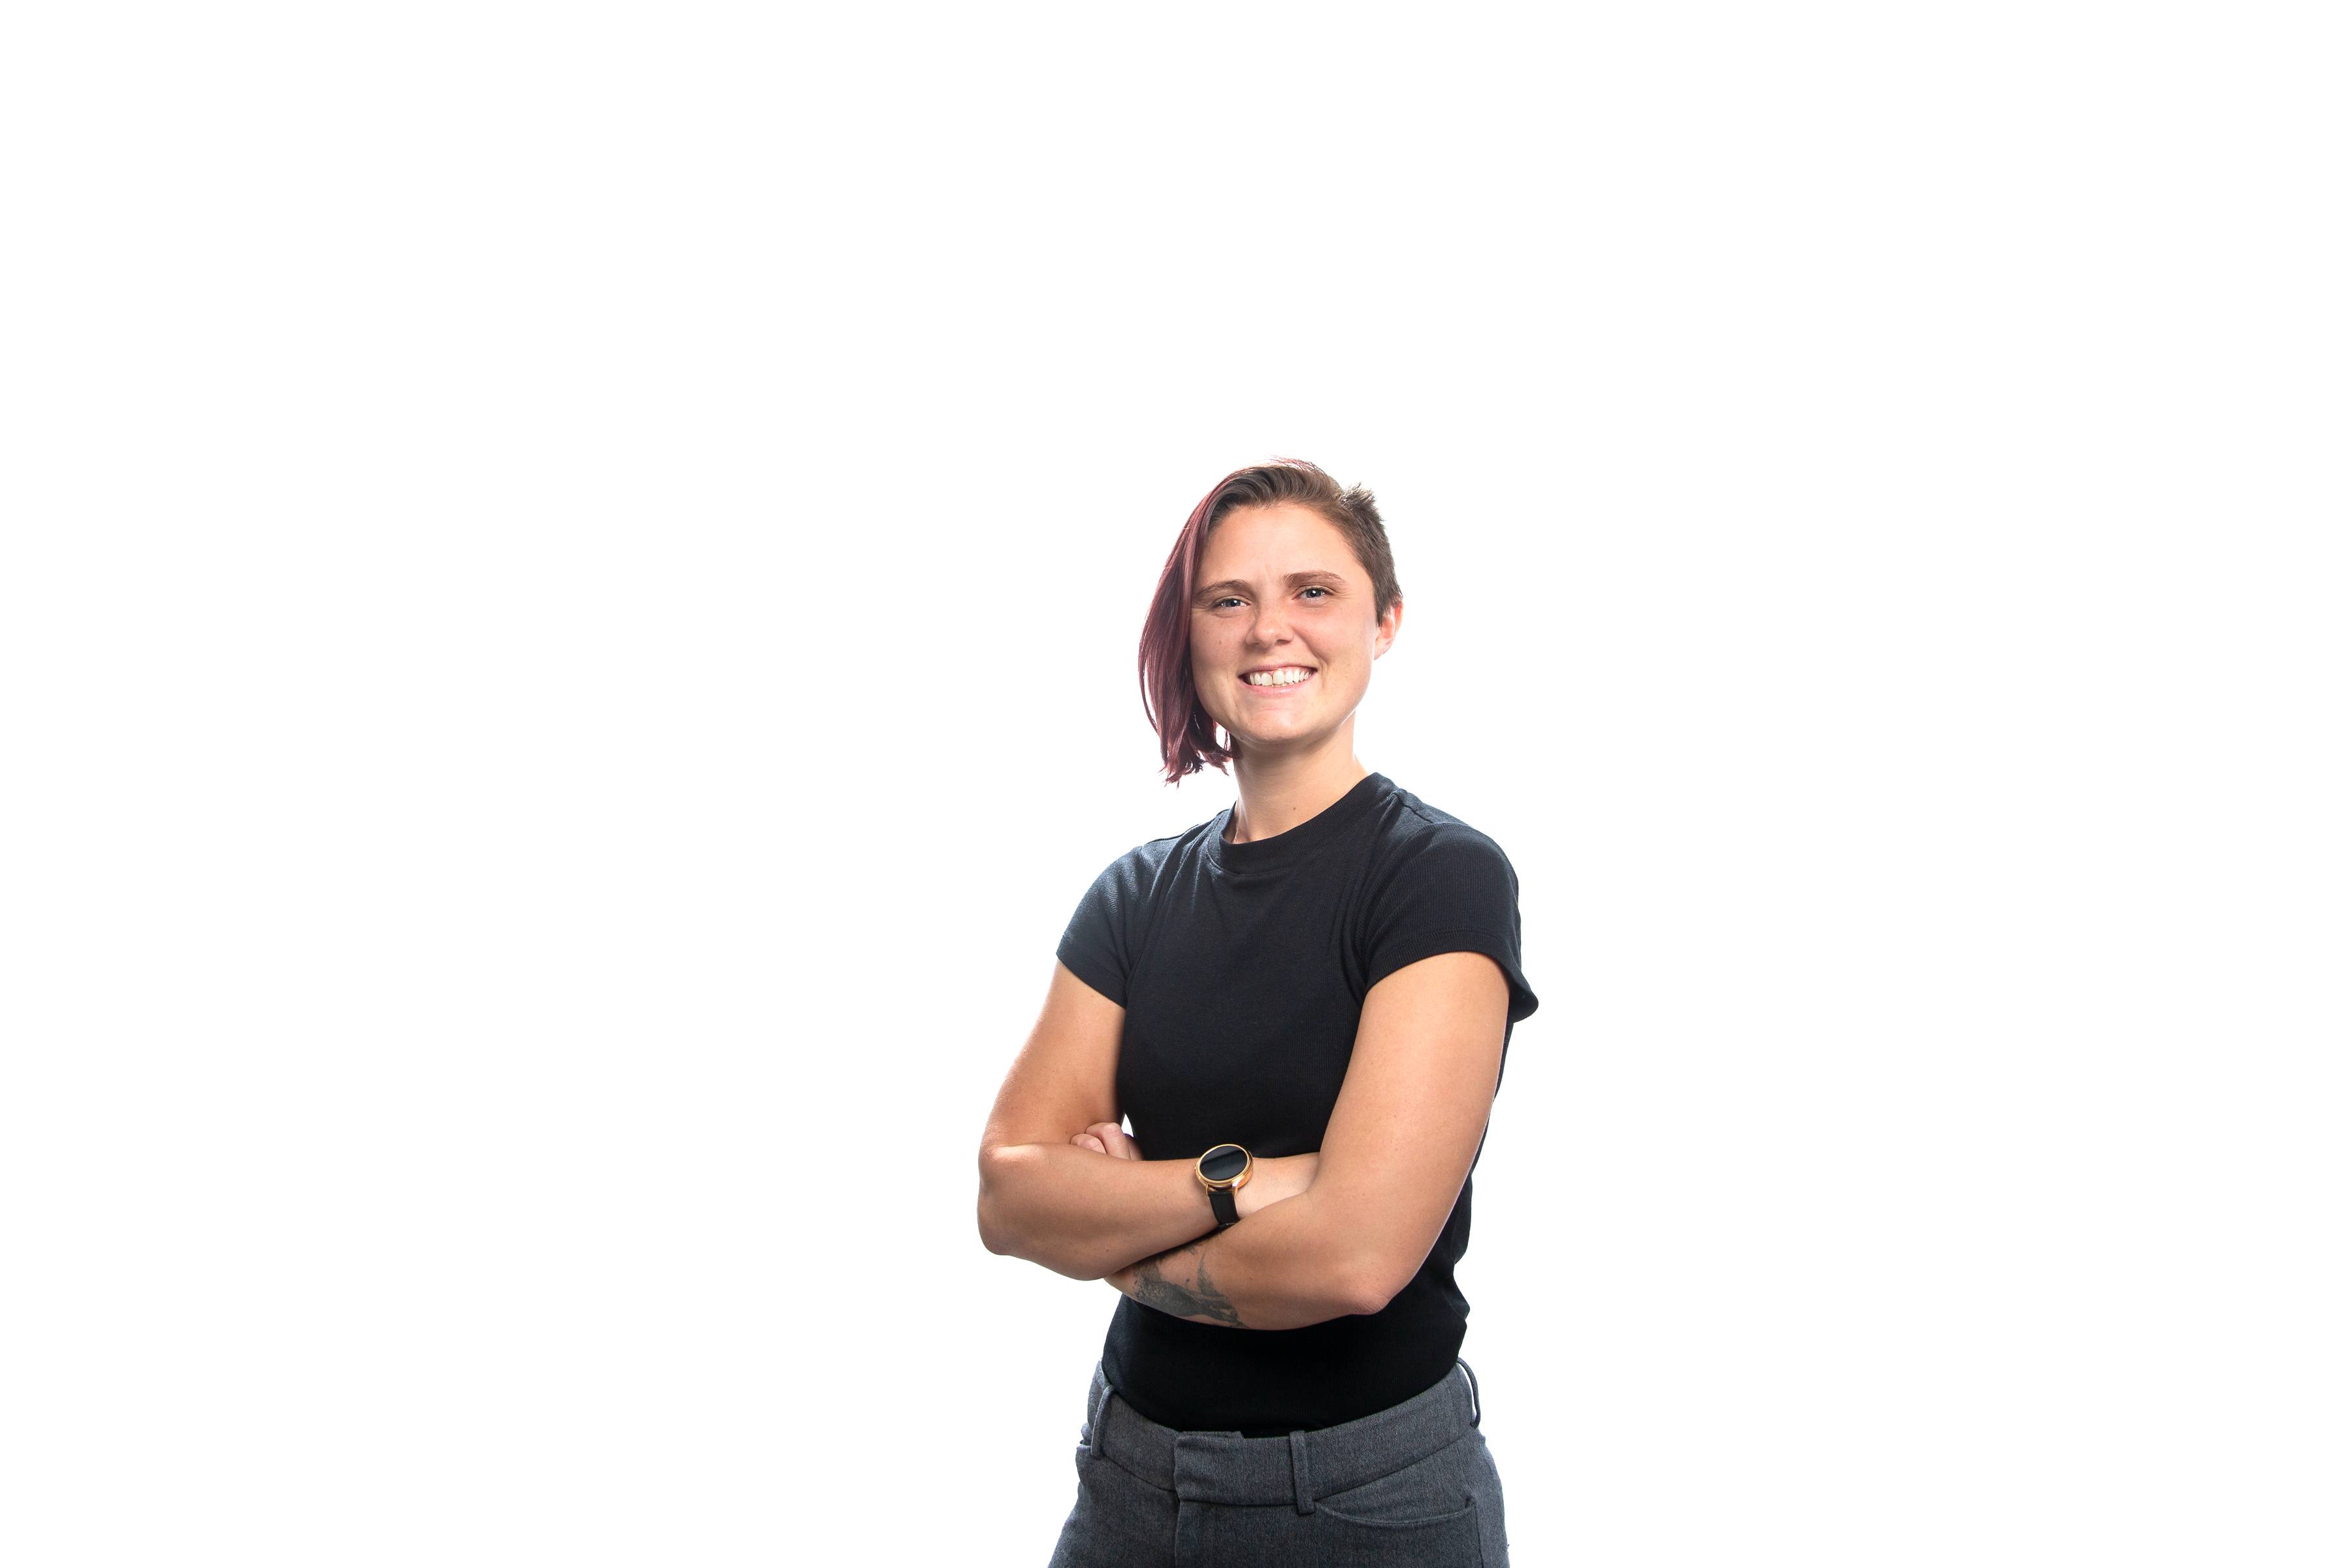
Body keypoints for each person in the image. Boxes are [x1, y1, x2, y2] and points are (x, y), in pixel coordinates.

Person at [977, 459, 1539, 1566]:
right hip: (1129, 1480)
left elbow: (1355, 1260)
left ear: (1385, 622)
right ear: (1187, 637)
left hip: (1367, 1501)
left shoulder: (1438, 878)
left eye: (1313, 591)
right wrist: (1245, 1183)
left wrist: (1116, 1241)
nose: (1269, 628)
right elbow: (1008, 1195)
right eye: (1227, 599)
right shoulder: (1133, 897)